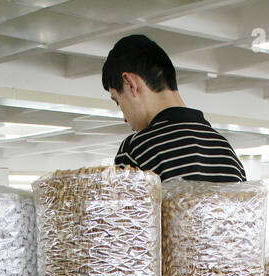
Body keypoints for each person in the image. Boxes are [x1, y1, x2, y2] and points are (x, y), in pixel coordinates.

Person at [102, 35, 244, 183]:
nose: (124, 118)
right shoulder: (225, 150)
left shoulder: (137, 149)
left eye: (118, 101)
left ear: (130, 83)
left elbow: (128, 206)